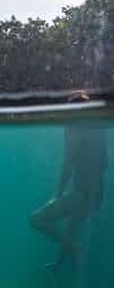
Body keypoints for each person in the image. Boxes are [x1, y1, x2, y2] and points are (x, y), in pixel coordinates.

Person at [30, 91, 108, 271]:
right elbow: (104, 163)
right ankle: (60, 263)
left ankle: (73, 249)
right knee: (71, 230)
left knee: (36, 219)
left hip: (82, 193)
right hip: (96, 195)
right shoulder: (99, 129)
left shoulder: (74, 128)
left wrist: (56, 196)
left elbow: (68, 165)